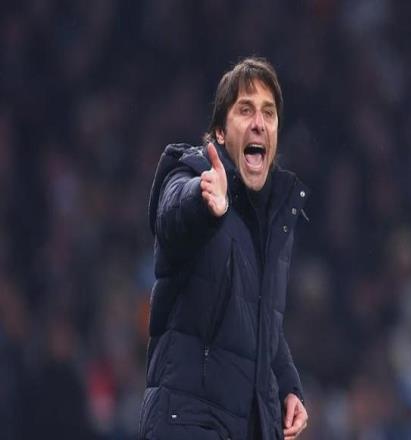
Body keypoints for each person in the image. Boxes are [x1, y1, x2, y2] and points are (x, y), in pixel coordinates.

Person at [139, 57, 309, 440]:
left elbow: (259, 318)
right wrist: (204, 203)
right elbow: (171, 214)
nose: (259, 122)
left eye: (268, 113)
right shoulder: (191, 172)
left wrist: (288, 387)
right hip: (188, 422)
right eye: (245, 110)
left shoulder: (272, 222)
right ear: (219, 132)